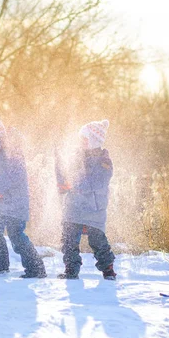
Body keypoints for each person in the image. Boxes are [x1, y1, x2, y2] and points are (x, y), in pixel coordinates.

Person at [0, 112, 47, 278]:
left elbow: (13, 175)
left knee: (16, 235)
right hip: (2, 203)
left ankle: (36, 268)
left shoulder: (13, 151)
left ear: (1, 137)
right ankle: (0, 265)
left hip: (17, 202)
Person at [55, 119, 116, 280]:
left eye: (85, 138)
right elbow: (67, 173)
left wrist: (75, 185)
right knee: (68, 239)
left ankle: (108, 269)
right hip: (73, 206)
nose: (81, 141)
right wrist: (63, 180)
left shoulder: (104, 161)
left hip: (93, 208)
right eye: (81, 137)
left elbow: (97, 181)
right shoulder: (75, 156)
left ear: (94, 141)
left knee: (97, 240)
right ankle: (71, 269)